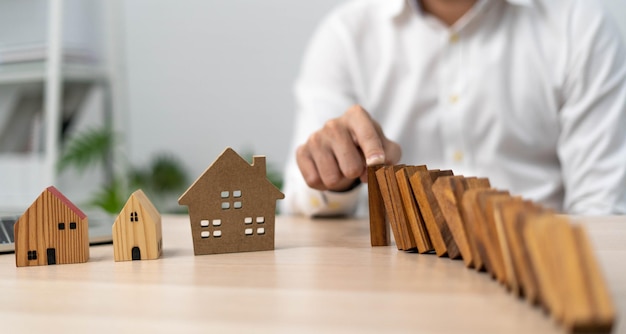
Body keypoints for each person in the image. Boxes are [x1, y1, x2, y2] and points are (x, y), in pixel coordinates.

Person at [281, 0, 626, 217]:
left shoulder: (581, 26)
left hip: (540, 273)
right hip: (391, 283)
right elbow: (302, 197)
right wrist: (340, 178)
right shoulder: (345, 34)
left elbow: (602, 209)